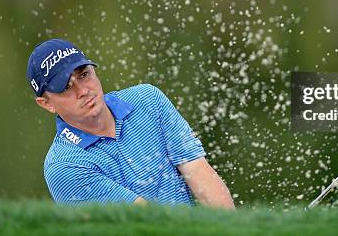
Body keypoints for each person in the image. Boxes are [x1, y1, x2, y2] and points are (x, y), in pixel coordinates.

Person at [26, 38, 235, 209]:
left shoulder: (148, 100)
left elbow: (198, 170)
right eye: (65, 87)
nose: (83, 91)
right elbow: (147, 222)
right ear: (46, 104)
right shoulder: (63, 166)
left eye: (84, 75)